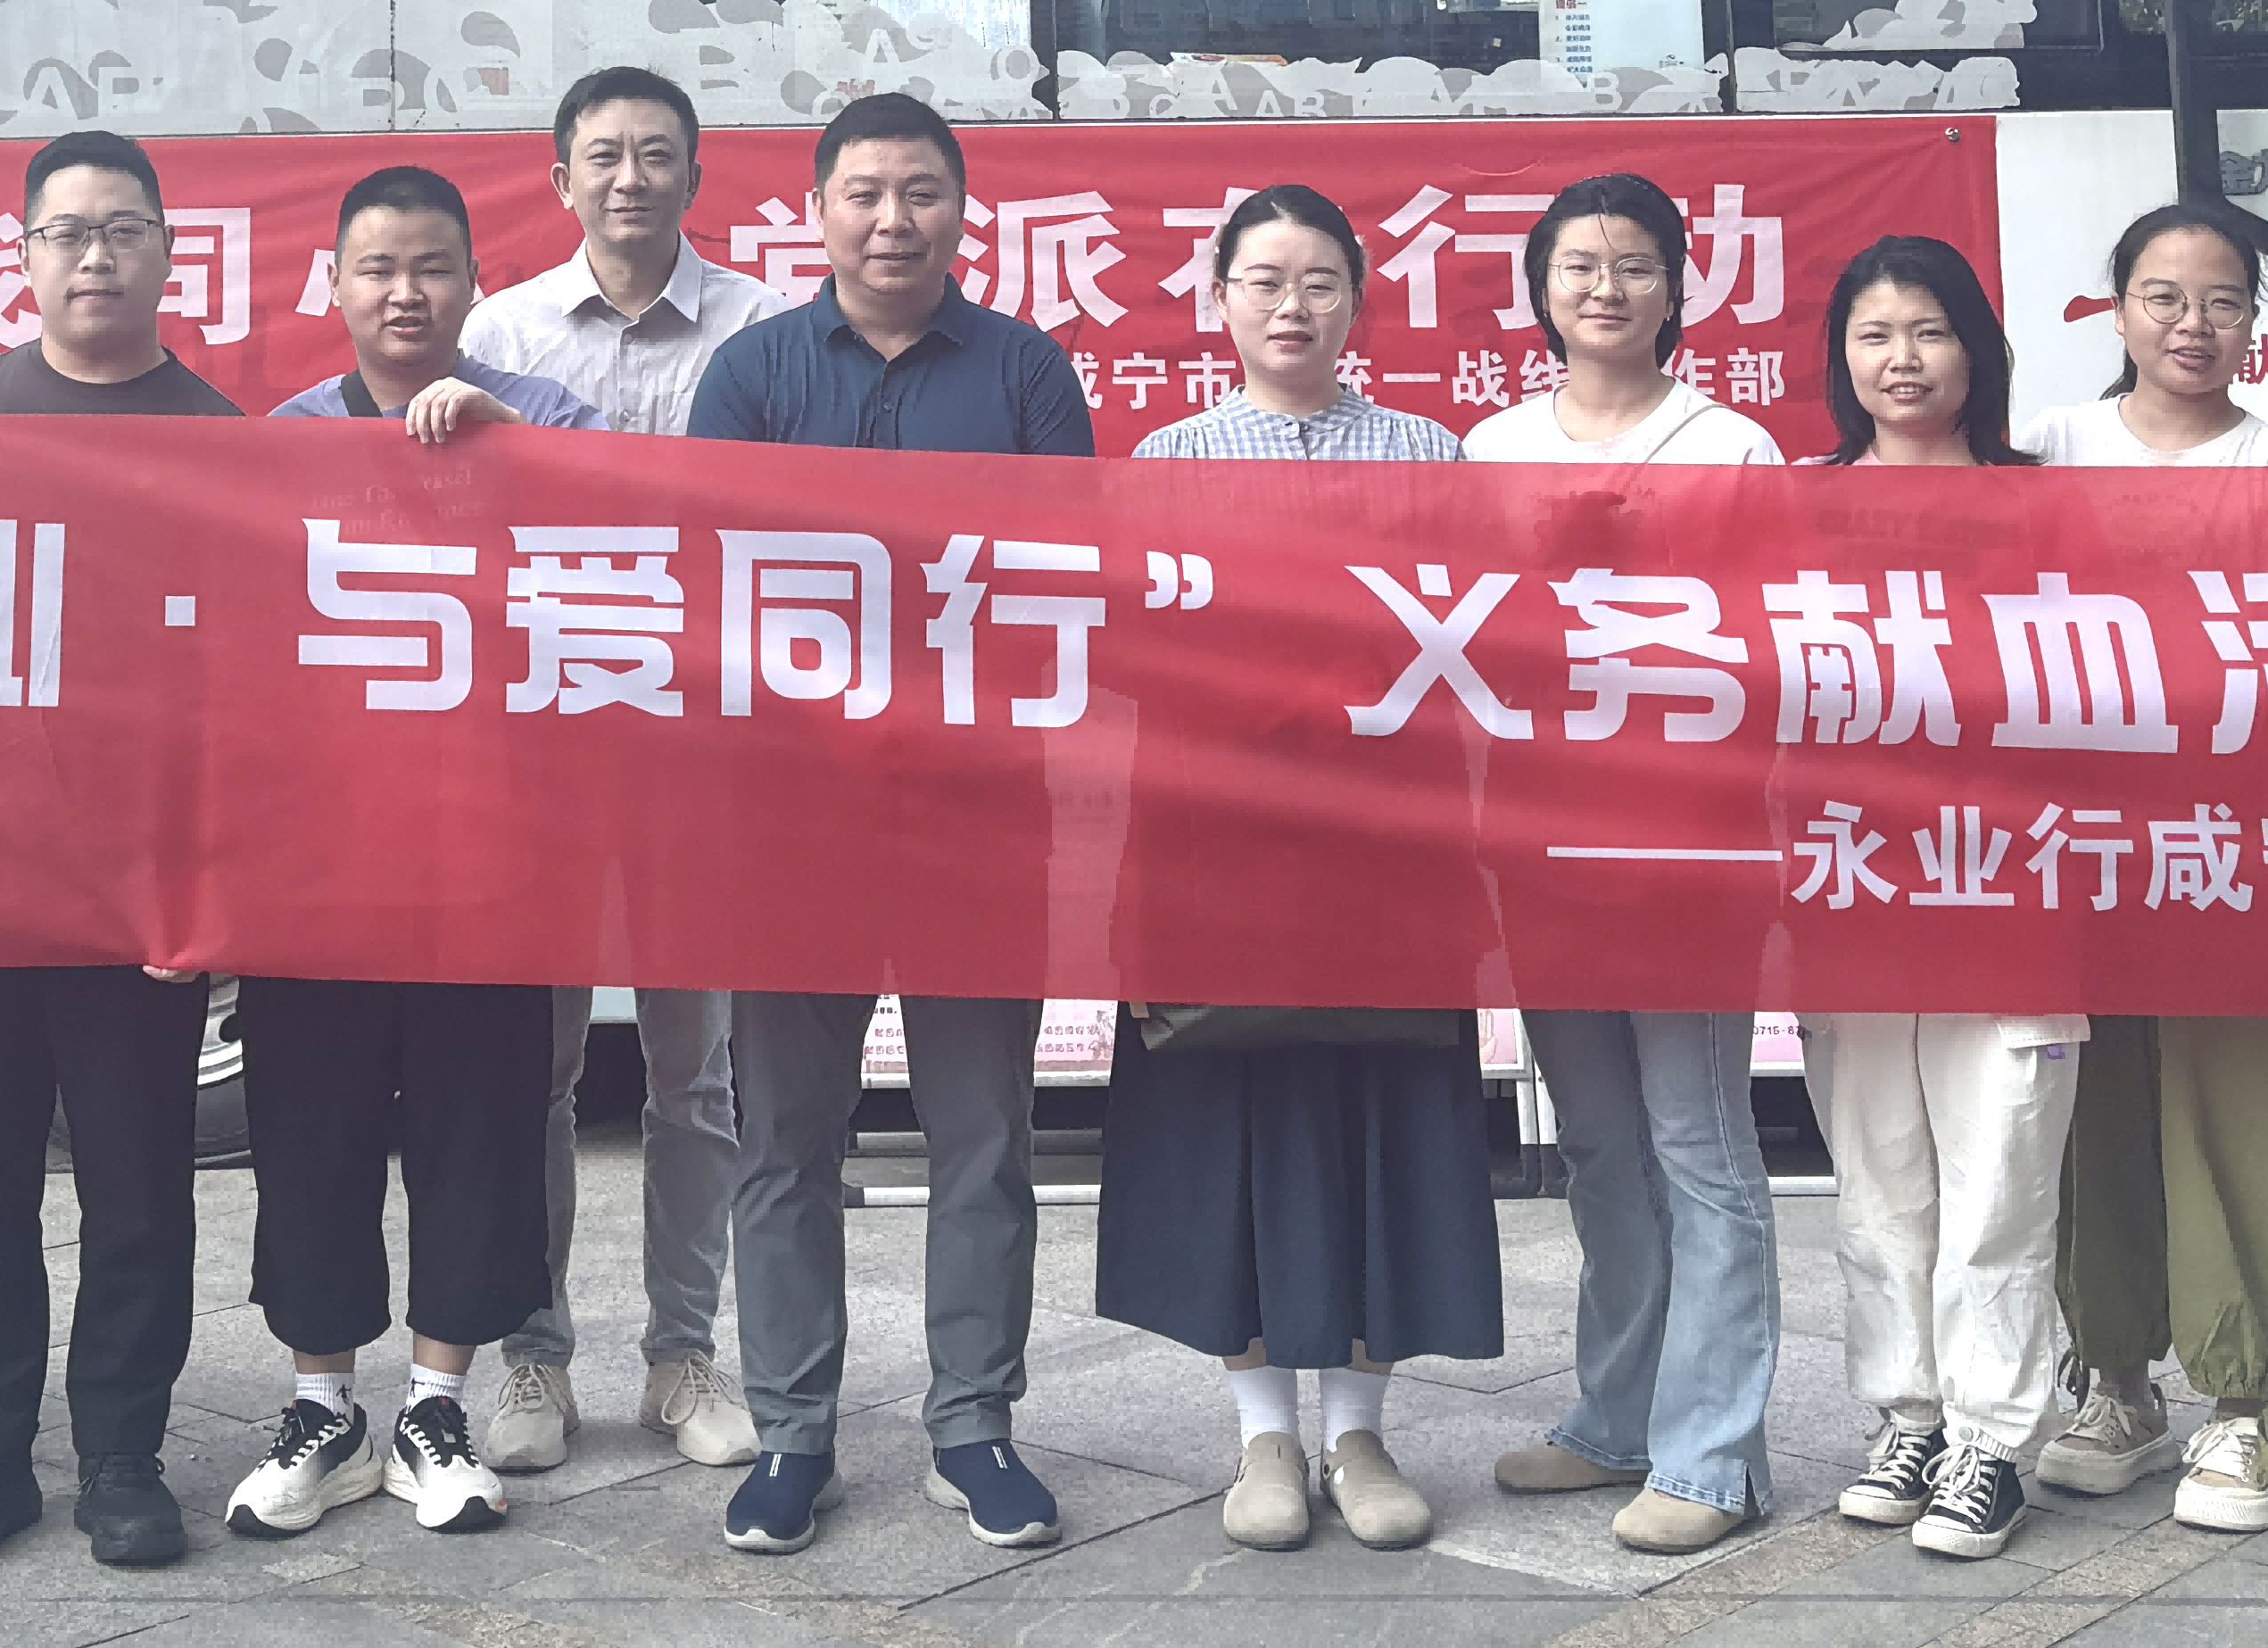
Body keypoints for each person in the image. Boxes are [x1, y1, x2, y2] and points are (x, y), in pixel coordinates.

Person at [688, 88, 1097, 1557]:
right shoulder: (751, 372)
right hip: (790, 823)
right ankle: (791, 1433)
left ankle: (974, 1424)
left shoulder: (1027, 370)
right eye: (863, 192)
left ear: (961, 210)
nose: (892, 219)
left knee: (983, 1135)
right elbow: (709, 582)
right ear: (817, 211)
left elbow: (1070, 574)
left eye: (920, 191)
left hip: (976, 818)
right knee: (784, 1140)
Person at [1108, 186, 1494, 1556]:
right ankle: (1265, 1431)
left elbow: (1475, 648)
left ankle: (1360, 1430)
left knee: (1383, 1113)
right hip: (1218, 840)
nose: (1292, 305)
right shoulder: (1166, 457)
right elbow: (1136, 657)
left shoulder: (1430, 451)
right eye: (1264, 279)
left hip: (1388, 841)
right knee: (1241, 1109)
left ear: (1359, 302)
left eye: (1320, 280)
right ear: (1217, 299)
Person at [224, 167, 606, 1537]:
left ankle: (438, 1405)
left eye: (433, 265)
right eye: (378, 267)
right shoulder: (284, 440)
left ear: (472, 282)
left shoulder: (548, 415)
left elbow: (629, 548)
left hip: (487, 856)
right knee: (311, 1128)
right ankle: (322, 1404)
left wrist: (518, 454)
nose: (405, 292)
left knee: (476, 1127)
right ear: (334, 283)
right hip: (317, 863)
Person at [0, 131, 245, 1571]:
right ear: (24, 257)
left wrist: (204, 885)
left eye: (122, 230)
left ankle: (121, 1454)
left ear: (166, 252)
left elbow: (244, 697)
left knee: (136, 1185)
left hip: (133, 892)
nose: (95, 255)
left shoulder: (226, 443)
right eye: (67, 232)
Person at [1470, 173, 1785, 1557]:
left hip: (1687, 842)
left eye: (1637, 265)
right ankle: (1617, 1415)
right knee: (1597, 1139)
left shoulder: (1732, 445)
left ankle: (1716, 1453)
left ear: (1678, 288)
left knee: (1698, 1139)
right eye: (1581, 265)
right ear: (1540, 289)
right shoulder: (1487, 446)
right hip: (1542, 839)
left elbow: (1775, 643)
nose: (1607, 288)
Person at [461, 63, 770, 1475]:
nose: (630, 177)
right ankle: (532, 1355)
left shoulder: (763, 326)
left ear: (694, 176)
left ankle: (683, 1353)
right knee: (533, 1068)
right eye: (604, 155)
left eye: (656, 154)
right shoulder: (499, 329)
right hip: (542, 750)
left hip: (701, 752)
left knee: (694, 1073)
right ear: (561, 178)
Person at [2019, 196, 2268, 1536]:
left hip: (2238, 837)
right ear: (2117, 310)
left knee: (2243, 1102)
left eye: (2220, 301)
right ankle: (2116, 1379)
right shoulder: (2050, 446)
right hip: (2081, 838)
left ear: (2252, 318)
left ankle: (2245, 1400)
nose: (2191, 325)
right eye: (2162, 297)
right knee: (2093, 1108)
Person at [1791, 234, 2078, 1567]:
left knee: (2001, 1164)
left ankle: (1992, 1438)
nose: (1902, 360)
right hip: (1852, 878)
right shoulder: (1793, 504)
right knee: (1877, 1176)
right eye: (1874, 335)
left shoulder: (2044, 502)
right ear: (1842, 360)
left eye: (1929, 331)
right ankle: (1907, 1415)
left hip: (2009, 879)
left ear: (1976, 348)